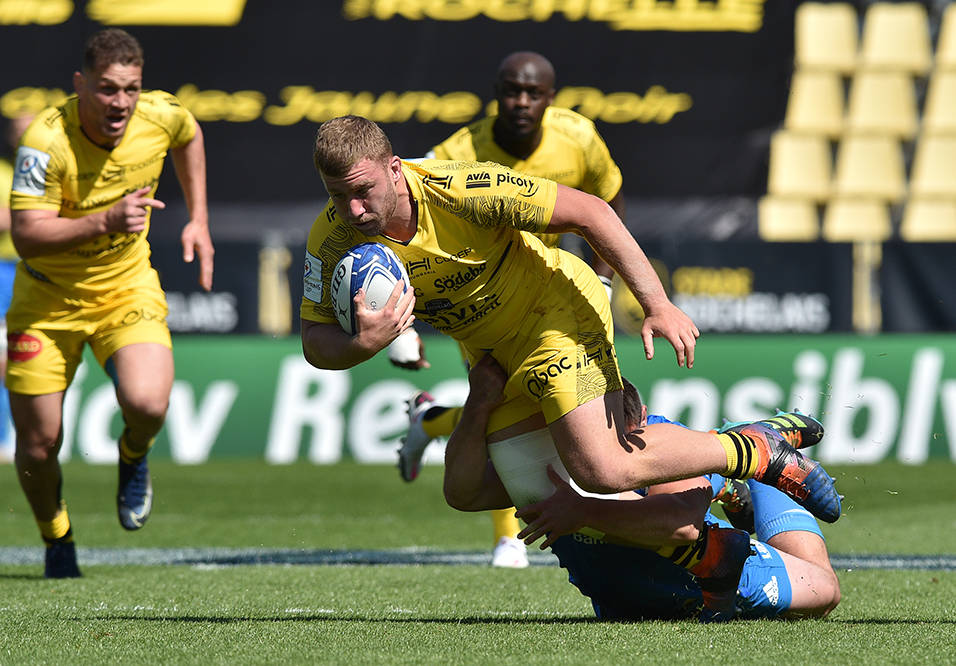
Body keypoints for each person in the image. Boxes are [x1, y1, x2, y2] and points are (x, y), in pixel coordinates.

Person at [300, 116, 841, 536]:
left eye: (363, 190)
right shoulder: (329, 240)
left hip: (555, 313)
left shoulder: (464, 190)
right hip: (496, 356)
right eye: (336, 194)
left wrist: (656, 302)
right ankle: (717, 476)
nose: (352, 208)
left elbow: (593, 212)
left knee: (600, 471)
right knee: (470, 492)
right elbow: (315, 345)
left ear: (395, 168)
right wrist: (363, 343)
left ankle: (754, 452)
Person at [392, 51, 628, 568]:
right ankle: (507, 538)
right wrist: (397, 329)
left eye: (533, 92)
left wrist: (606, 279)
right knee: (497, 405)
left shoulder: (579, 138)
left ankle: (430, 421)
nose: (521, 102)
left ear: (550, 97)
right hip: (481, 302)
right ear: (495, 92)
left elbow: (607, 199)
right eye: (510, 90)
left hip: (557, 295)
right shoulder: (458, 151)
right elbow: (404, 224)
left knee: (561, 414)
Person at [8, 28, 215, 578]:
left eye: (130, 88)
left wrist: (198, 218)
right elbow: (26, 235)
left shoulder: (159, 114)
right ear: (80, 85)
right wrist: (103, 219)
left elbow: (189, 135)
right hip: (45, 299)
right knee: (37, 442)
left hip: (125, 286)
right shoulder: (44, 141)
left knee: (148, 404)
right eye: (106, 89)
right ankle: (56, 537)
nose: (120, 102)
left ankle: (133, 457)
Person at [445, 354, 840, 621]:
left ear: (641, 425)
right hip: (627, 601)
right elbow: (465, 493)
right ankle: (732, 462)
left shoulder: (659, 436)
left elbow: (681, 525)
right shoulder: (554, 452)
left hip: (707, 581)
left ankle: (761, 450)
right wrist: (478, 403)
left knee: (824, 590)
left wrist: (582, 512)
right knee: (670, 477)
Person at [0, 114, 34, 462]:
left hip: (33, 270)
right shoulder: (3, 173)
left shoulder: (47, 171)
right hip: (3, 272)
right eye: (18, 132)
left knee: (24, 358)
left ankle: (21, 438)